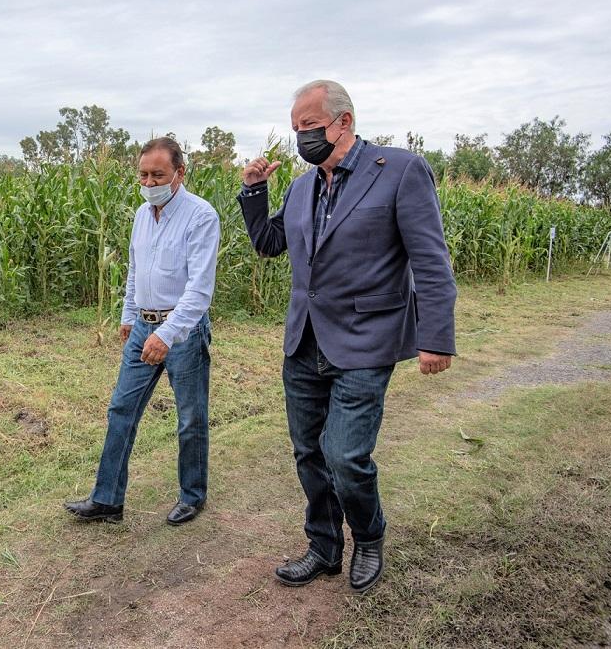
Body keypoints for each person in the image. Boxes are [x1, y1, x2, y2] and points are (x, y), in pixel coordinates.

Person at [237, 79, 456, 592]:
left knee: (345, 455)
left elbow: (429, 258)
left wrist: (437, 336)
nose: (301, 138)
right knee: (308, 453)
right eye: (296, 129)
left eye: (309, 127)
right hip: (305, 341)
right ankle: (324, 546)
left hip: (366, 339)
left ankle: (369, 535)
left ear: (344, 123)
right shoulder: (302, 186)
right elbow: (270, 243)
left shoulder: (400, 171)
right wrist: (253, 191)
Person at [65, 137, 221, 526]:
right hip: (142, 327)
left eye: (159, 175)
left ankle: (192, 495)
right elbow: (136, 270)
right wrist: (130, 314)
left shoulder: (200, 216)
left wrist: (166, 334)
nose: (150, 182)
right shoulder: (140, 214)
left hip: (181, 331)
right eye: (144, 175)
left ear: (179, 173)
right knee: (122, 409)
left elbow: (199, 290)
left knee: (189, 417)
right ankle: (107, 501)